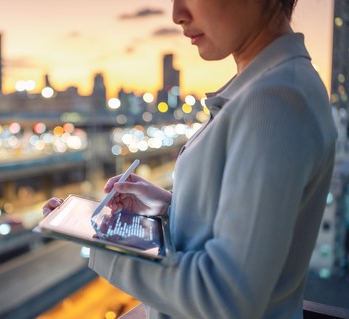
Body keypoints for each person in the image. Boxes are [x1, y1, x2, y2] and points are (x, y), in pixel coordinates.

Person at [43, 0, 338, 317]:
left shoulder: (275, 100)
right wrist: (169, 208)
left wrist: (107, 248)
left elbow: (225, 295)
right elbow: (249, 232)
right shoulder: (271, 86)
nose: (177, 14)